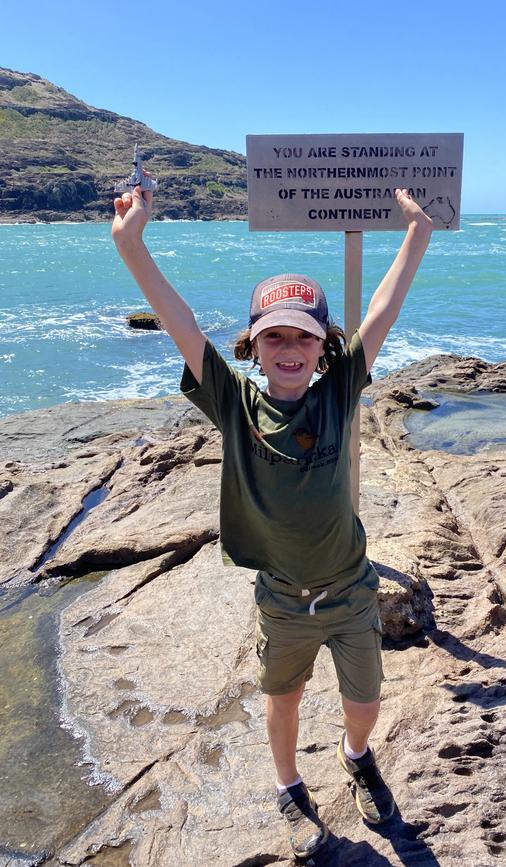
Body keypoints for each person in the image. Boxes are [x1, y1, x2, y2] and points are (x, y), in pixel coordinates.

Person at [112, 179, 433, 858]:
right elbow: (181, 324)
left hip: (350, 590)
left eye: (304, 337)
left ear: (324, 349)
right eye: (274, 336)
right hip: (282, 601)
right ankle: (289, 787)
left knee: (365, 701)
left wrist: (417, 235)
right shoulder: (233, 405)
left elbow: (380, 310)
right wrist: (130, 243)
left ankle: (355, 753)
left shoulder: (339, 392)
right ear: (253, 348)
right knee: (282, 698)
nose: (290, 347)